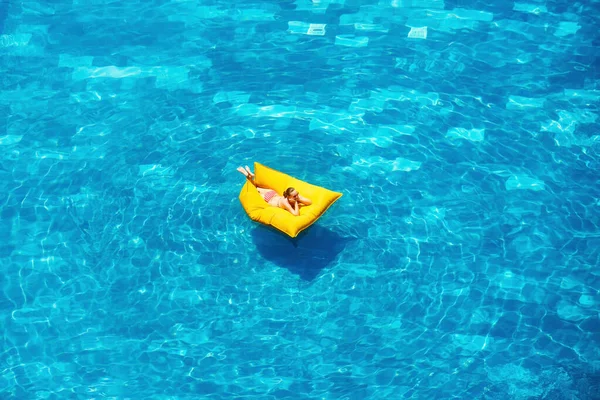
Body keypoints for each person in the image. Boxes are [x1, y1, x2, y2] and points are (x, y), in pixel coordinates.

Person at [237, 165, 312, 216]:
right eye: (295, 195)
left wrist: (298, 198)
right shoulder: (285, 202)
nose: (297, 196)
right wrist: (296, 202)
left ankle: (250, 176)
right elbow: (296, 214)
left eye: (297, 194)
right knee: (253, 190)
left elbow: (309, 202)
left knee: (255, 188)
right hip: (268, 198)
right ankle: (248, 176)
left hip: (273, 193)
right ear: (289, 197)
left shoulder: (294, 197)